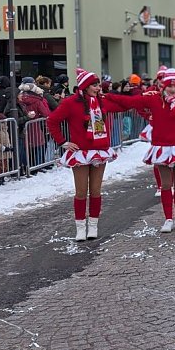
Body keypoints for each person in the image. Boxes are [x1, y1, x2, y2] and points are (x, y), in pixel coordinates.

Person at [105, 68, 175, 232]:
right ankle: (168, 218)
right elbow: (129, 102)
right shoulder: (154, 99)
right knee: (166, 185)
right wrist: (107, 96)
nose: (173, 89)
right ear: (163, 86)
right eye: (169, 86)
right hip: (162, 146)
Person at [47, 68, 131, 241]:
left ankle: (93, 225)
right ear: (85, 86)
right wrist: (63, 142)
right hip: (80, 152)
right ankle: (80, 228)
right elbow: (52, 121)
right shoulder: (70, 103)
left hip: (99, 150)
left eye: (99, 84)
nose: (98, 88)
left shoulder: (102, 102)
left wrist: (147, 99)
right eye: (94, 85)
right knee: (81, 191)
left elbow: (125, 104)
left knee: (95, 191)